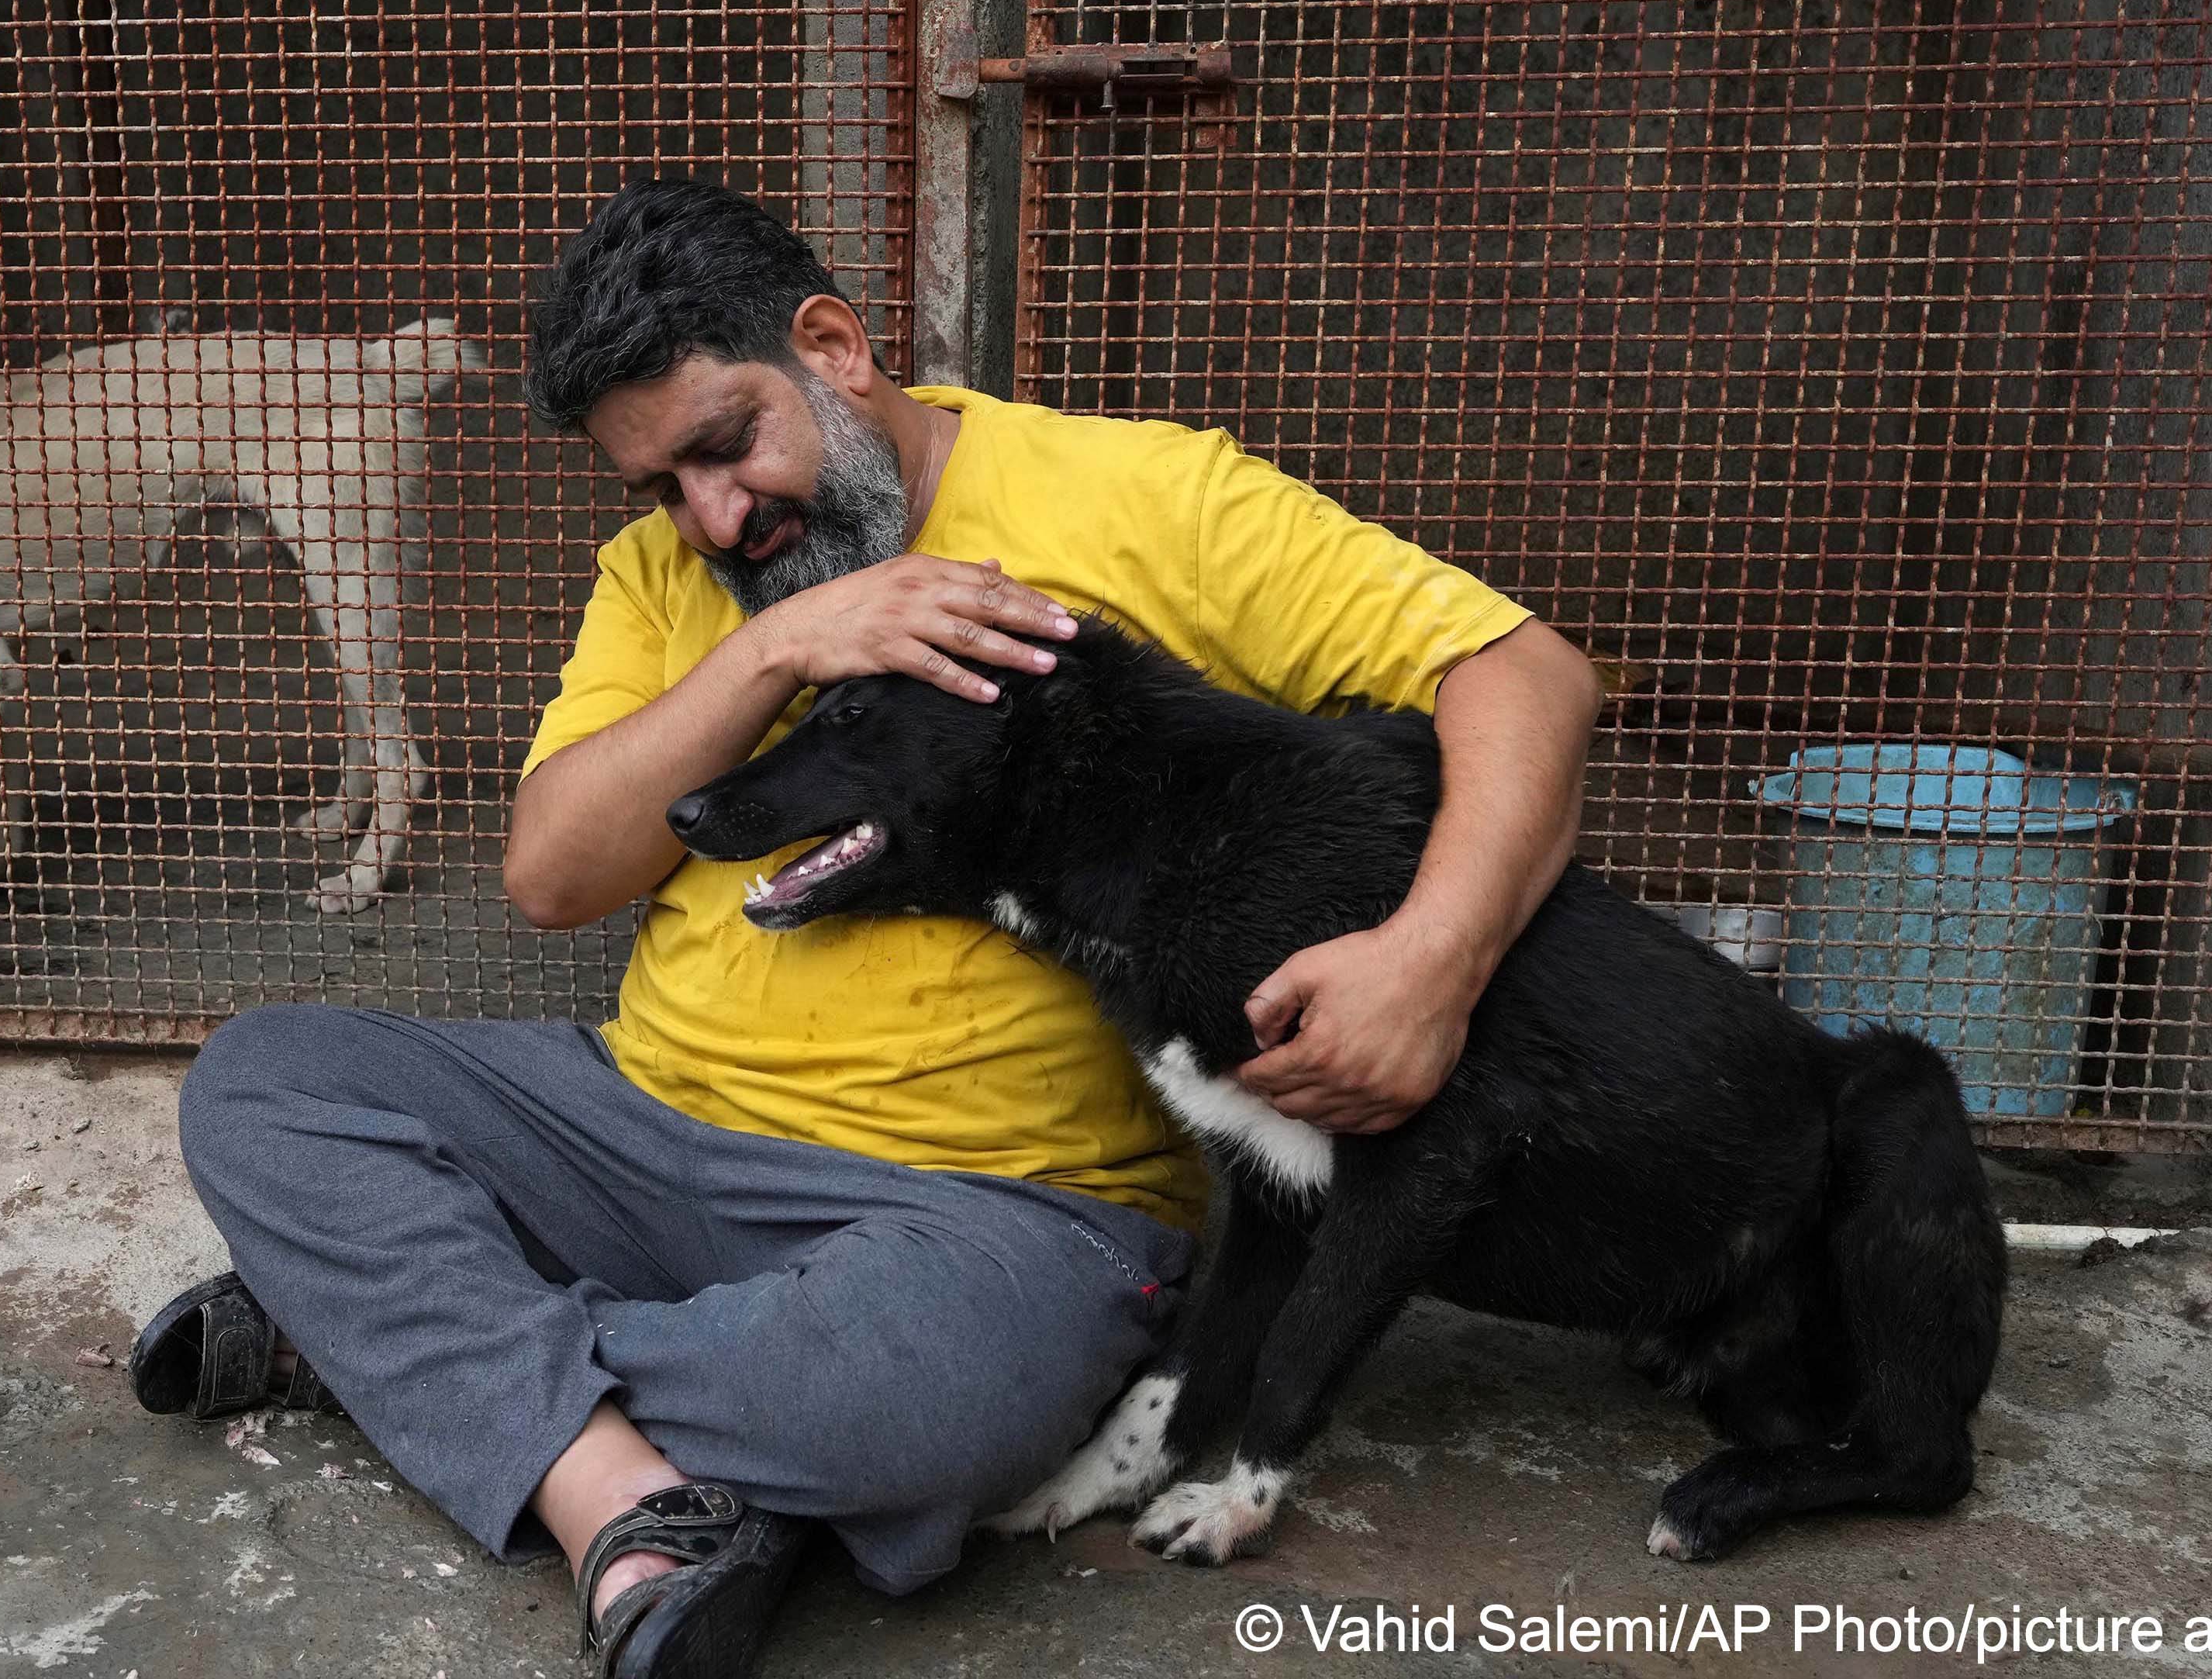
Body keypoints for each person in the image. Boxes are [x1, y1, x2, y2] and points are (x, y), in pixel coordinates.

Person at [136, 178, 1603, 1677]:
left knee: (901, 1409)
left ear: (832, 345)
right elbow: (551, 877)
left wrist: (1436, 956)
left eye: (726, 443)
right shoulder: (673, 579)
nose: (713, 513)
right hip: (644, 1135)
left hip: (993, 1218)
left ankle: (395, 1349)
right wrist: (777, 645)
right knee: (268, 1085)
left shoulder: (1144, 498)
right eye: (661, 485)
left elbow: (1523, 674)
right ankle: (622, 1484)